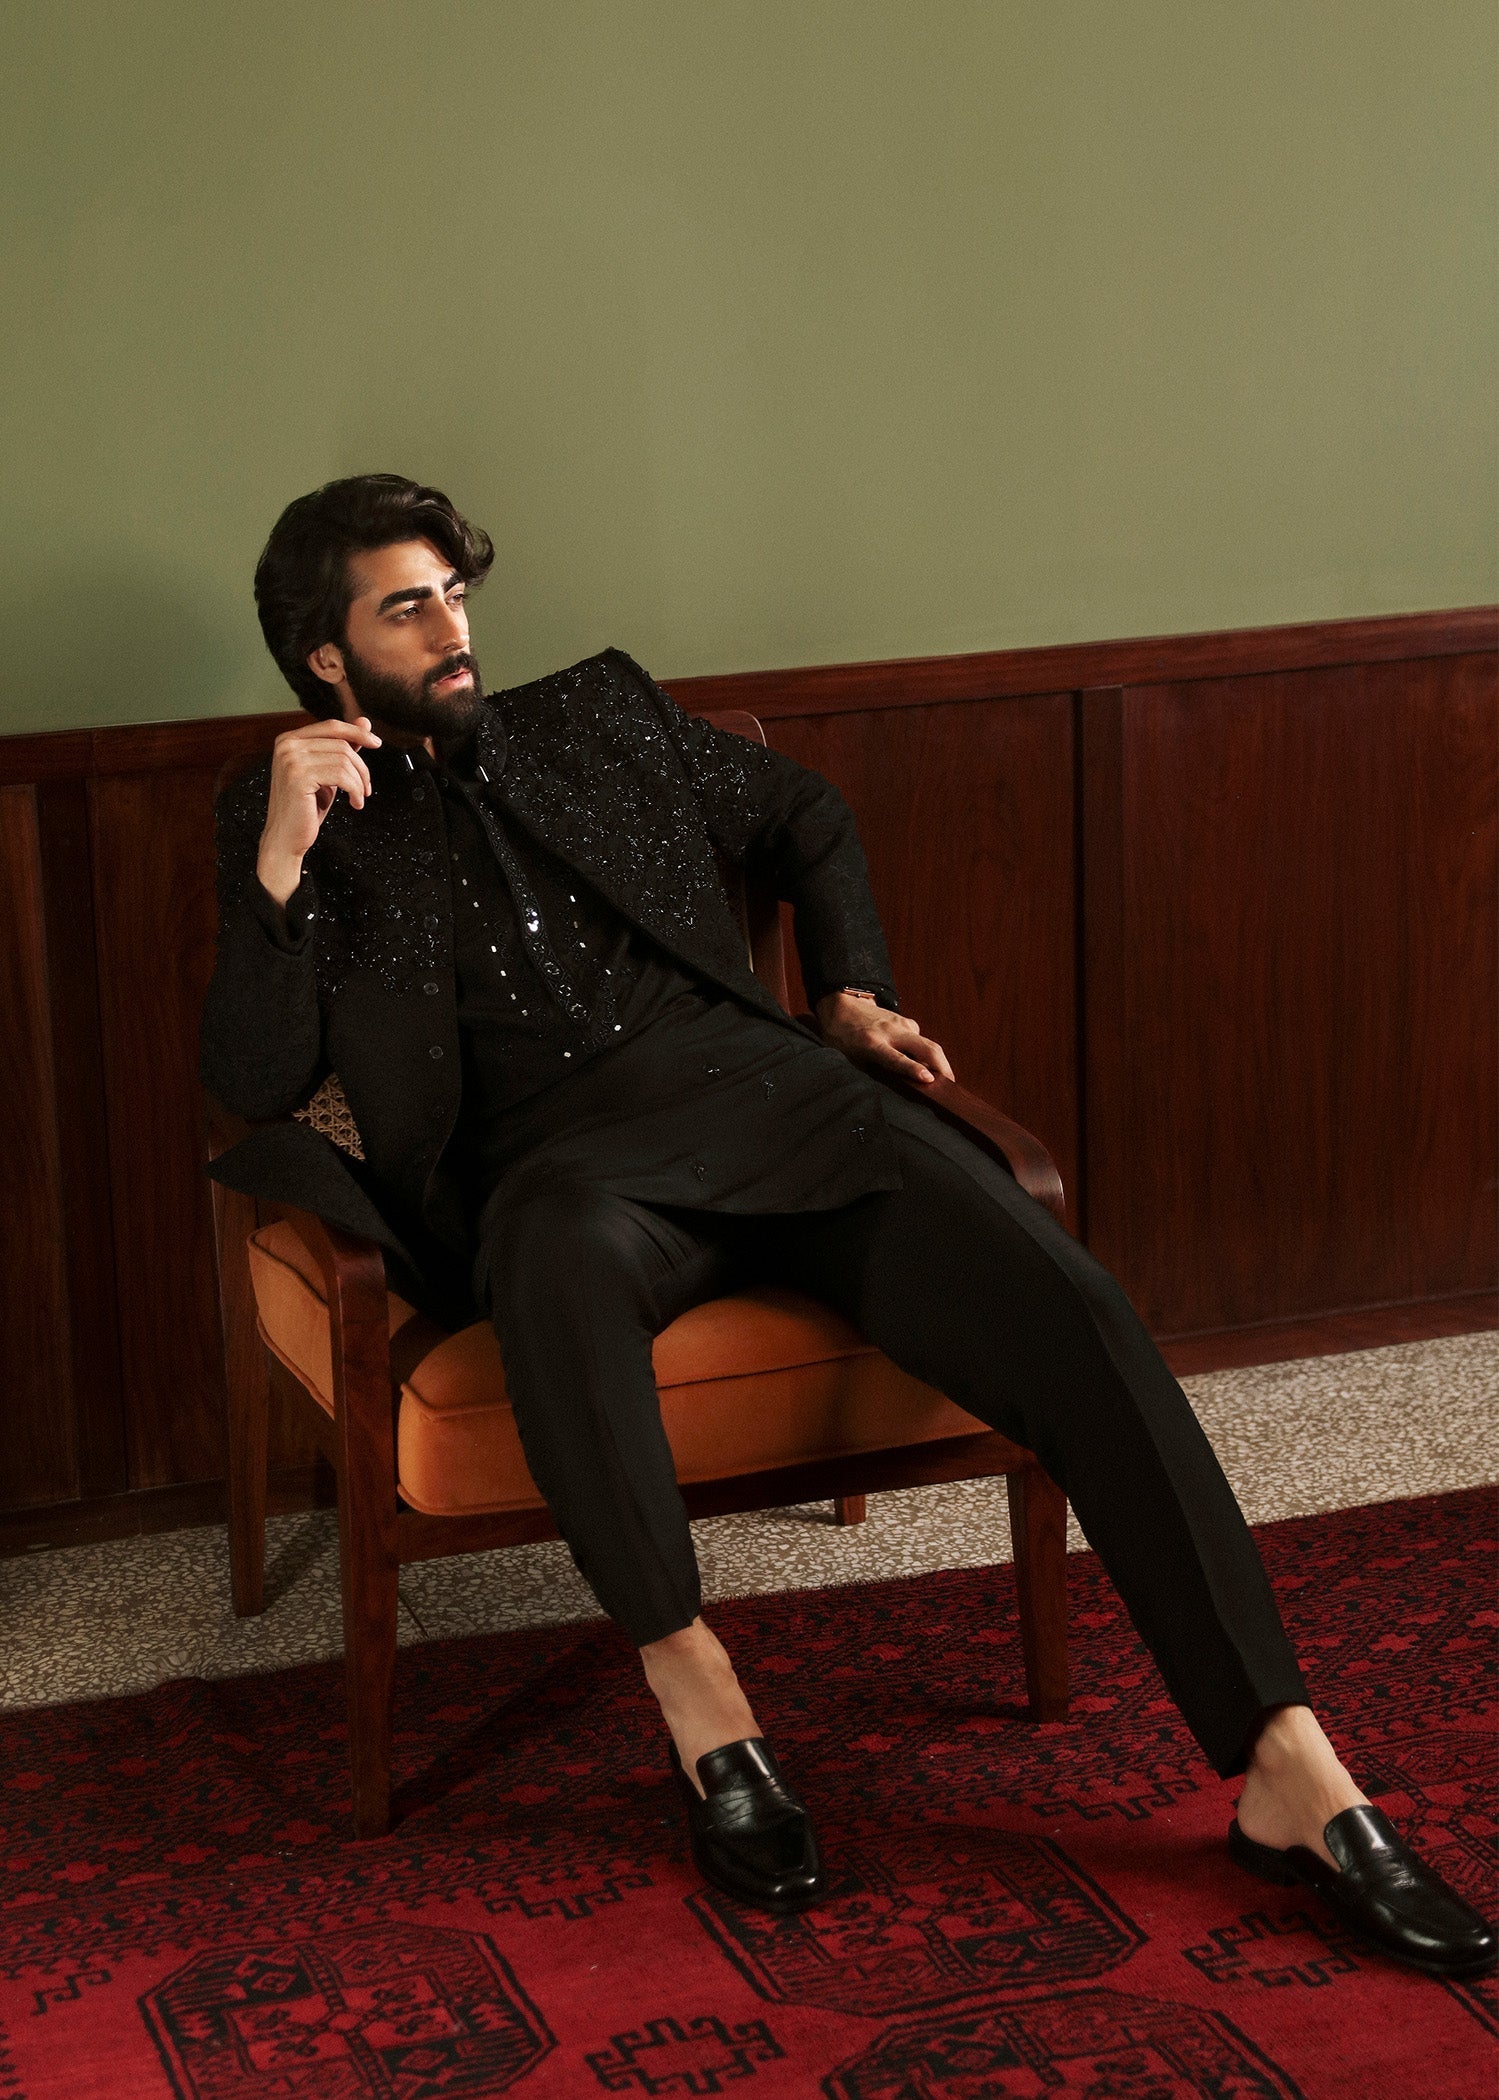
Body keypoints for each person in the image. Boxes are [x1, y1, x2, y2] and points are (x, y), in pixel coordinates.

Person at [201, 473, 1493, 1975]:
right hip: (566, 1176)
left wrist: (854, 993)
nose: (451, 630)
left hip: (776, 1101)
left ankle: (1291, 1769)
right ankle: (705, 1710)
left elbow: (807, 812)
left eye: (454, 595)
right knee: (548, 1269)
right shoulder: (291, 819)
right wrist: (281, 865)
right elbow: (253, 1076)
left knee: (1071, 1302)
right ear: (326, 657)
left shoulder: (593, 716)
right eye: (405, 610)